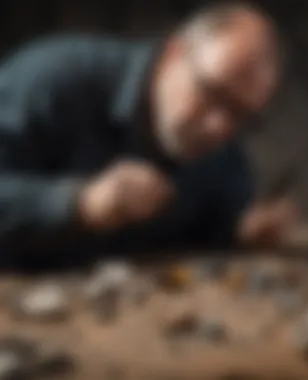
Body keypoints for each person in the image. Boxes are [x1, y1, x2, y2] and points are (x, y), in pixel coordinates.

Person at [0, 2, 292, 267]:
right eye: (211, 94)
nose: (219, 126)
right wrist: (77, 204)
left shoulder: (223, 152)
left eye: (241, 114)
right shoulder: (51, 83)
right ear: (174, 53)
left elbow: (222, 217)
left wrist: (243, 230)